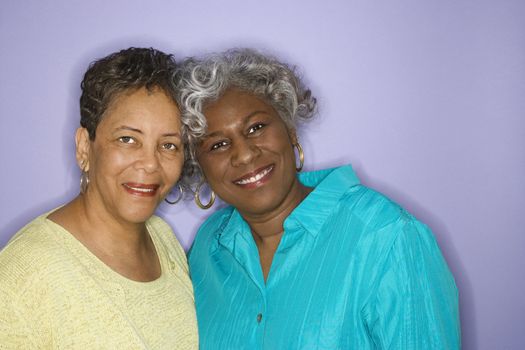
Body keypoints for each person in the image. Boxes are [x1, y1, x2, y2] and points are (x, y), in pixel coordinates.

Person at [176, 49, 460, 349]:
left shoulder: (389, 237)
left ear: (289, 130)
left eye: (256, 128)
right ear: (198, 167)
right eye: (218, 145)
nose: (244, 154)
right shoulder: (209, 247)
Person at [0, 48, 198, 349]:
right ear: (84, 146)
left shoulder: (163, 239)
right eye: (127, 139)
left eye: (168, 145)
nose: (149, 163)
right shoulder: (23, 275)